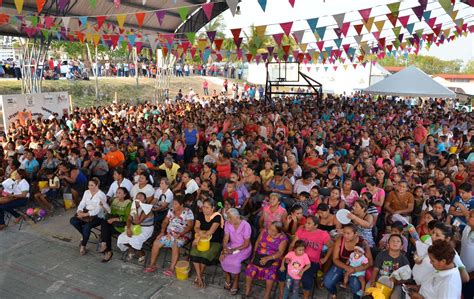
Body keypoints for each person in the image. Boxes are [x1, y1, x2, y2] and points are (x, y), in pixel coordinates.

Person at [281, 215, 331, 299]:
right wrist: (289, 256)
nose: (306, 225)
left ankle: (305, 297)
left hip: (312, 261)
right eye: (306, 222)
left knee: (306, 278)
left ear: (315, 226)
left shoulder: (322, 234)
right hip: (296, 258)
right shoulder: (301, 230)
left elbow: (331, 246)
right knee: (282, 272)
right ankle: (283, 294)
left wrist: (325, 258)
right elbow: (293, 244)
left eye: (309, 223)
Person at [144, 196, 194, 275]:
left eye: (175, 204)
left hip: (183, 235)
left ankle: (171, 269)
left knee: (175, 244)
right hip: (169, 234)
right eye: (173, 204)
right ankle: (152, 265)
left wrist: (180, 234)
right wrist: (162, 232)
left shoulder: (188, 212)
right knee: (156, 243)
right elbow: (165, 222)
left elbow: (190, 226)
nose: (173, 205)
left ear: (181, 205)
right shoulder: (171, 210)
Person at [323, 224, 373, 299]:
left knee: (356, 287)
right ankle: (334, 293)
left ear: (355, 234)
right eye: (344, 232)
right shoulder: (340, 240)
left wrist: (355, 269)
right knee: (327, 283)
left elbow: (370, 262)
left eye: (348, 233)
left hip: (357, 268)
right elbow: (335, 259)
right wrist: (347, 267)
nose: (345, 235)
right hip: (341, 265)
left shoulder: (363, 243)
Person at [244, 221, 288, 299]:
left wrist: (268, 258)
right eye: (270, 229)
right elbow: (257, 242)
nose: (270, 231)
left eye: (273, 230)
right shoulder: (264, 231)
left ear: (279, 231)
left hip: (273, 257)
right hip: (259, 254)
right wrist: (254, 254)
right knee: (250, 269)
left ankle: (267, 295)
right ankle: (248, 290)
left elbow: (280, 252)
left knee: (270, 274)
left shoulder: (283, 239)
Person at [190, 198, 224, 288]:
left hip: (214, 242)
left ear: (213, 208)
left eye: (207, 207)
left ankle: (199, 276)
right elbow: (196, 228)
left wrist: (198, 237)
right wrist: (200, 234)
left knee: (204, 255)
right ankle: (200, 277)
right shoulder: (200, 215)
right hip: (201, 240)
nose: (204, 209)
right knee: (194, 253)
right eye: (203, 207)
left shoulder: (217, 217)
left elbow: (210, 232)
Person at [69, 178, 108, 255]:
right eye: (89, 185)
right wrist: (79, 211)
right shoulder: (86, 192)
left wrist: (85, 214)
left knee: (87, 227)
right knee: (73, 220)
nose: (89, 187)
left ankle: (83, 245)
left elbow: (98, 210)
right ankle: (85, 235)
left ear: (97, 185)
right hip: (86, 213)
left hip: (98, 216)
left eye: (92, 185)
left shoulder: (101, 195)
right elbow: (82, 203)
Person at [220, 208, 252, 296]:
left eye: (230, 218)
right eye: (228, 218)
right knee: (222, 257)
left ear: (237, 217)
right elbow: (226, 237)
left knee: (235, 262)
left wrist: (232, 250)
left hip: (244, 248)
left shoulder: (246, 225)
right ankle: (228, 277)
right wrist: (224, 249)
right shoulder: (228, 223)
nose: (228, 220)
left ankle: (236, 283)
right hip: (233, 245)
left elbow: (246, 243)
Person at [116, 191, 154, 264]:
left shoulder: (147, 208)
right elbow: (129, 219)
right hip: (135, 227)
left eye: (140, 197)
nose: (138, 199)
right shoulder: (134, 207)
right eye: (137, 197)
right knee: (122, 237)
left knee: (134, 239)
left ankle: (141, 253)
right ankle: (132, 250)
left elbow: (137, 222)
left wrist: (135, 210)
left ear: (145, 200)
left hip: (145, 228)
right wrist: (128, 228)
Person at [368, 234, 410, 299]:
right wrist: (373, 280)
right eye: (392, 241)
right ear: (388, 245)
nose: (395, 242)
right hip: (379, 280)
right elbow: (376, 269)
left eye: (398, 241)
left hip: (395, 284)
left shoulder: (404, 260)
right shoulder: (381, 255)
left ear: (401, 246)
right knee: (368, 290)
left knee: (395, 297)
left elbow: (407, 278)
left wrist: (397, 282)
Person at [99, 187, 132, 262]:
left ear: (125, 194)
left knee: (106, 231)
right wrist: (104, 207)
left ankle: (107, 249)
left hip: (122, 225)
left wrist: (114, 219)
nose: (117, 194)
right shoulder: (114, 200)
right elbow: (110, 212)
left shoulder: (128, 203)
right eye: (116, 192)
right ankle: (106, 247)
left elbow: (127, 218)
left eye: (119, 193)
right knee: (104, 223)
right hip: (112, 222)